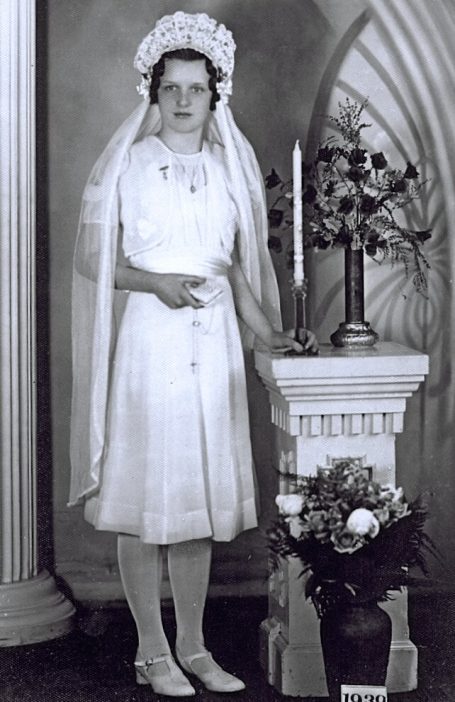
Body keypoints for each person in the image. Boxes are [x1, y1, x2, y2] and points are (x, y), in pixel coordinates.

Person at [70, 10, 318, 697]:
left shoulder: (226, 168)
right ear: (153, 93)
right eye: (171, 87)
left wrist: (267, 334)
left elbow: (232, 269)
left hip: (212, 348)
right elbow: (92, 261)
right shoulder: (129, 164)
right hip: (151, 341)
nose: (183, 100)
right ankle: (151, 652)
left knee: (194, 505)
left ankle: (193, 646)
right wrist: (154, 283)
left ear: (216, 95)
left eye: (196, 88)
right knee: (144, 500)